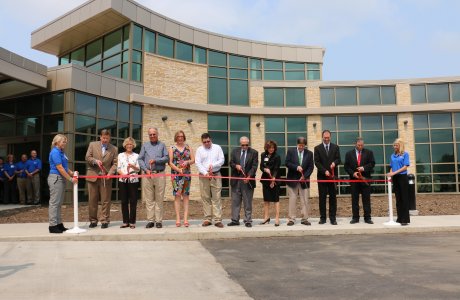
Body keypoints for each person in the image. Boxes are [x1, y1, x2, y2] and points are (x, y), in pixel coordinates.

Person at [85, 129, 118, 229]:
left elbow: (115, 164)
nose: (105, 140)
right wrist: (95, 161)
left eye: (107, 138)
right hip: (93, 176)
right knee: (92, 200)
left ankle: (104, 220)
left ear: (109, 138)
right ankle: (93, 220)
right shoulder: (92, 145)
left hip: (106, 178)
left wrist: (110, 173)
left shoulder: (114, 149)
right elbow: (87, 157)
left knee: (106, 201)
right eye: (103, 138)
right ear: (100, 137)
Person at [138, 127, 168, 229]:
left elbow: (166, 158)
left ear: (157, 134)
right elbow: (140, 159)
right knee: (149, 198)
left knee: (159, 198)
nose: (152, 136)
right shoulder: (145, 145)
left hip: (160, 174)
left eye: (154, 134)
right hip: (148, 174)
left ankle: (159, 221)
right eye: (150, 134)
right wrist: (146, 170)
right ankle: (150, 220)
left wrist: (155, 160)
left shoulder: (162, 145)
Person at [48, 134, 78, 233]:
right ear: (57, 142)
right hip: (56, 178)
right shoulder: (55, 152)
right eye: (63, 141)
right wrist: (70, 179)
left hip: (60, 178)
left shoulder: (61, 152)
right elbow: (59, 168)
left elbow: (64, 167)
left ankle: (59, 224)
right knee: (54, 203)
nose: (65, 143)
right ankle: (52, 226)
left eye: (65, 141)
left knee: (59, 203)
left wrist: (71, 173)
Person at [195, 133, 225, 228]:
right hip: (204, 176)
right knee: (205, 198)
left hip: (216, 174)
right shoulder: (199, 150)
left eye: (208, 141)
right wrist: (205, 173)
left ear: (211, 140)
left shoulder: (217, 148)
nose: (207, 143)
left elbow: (222, 160)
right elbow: (198, 163)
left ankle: (217, 220)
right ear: (202, 142)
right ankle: (207, 219)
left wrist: (214, 165)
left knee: (216, 198)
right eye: (205, 142)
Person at [228, 136, 258, 228]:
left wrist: (249, 176)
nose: (245, 146)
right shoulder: (234, 151)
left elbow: (254, 166)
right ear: (240, 144)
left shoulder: (254, 153)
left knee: (247, 201)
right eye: (243, 145)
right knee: (235, 201)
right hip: (236, 180)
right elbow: (231, 163)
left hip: (247, 181)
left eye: (246, 145)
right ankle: (235, 220)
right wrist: (236, 165)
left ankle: (248, 220)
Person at [344, 137, 376, 224]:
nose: (360, 147)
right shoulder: (349, 154)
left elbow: (372, 163)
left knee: (366, 199)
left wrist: (363, 168)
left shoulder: (369, 153)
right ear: (355, 144)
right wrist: (353, 173)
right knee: (355, 200)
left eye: (362, 145)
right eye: (359, 145)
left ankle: (367, 218)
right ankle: (355, 218)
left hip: (365, 180)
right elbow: (346, 166)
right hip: (354, 180)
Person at [285, 137, 314, 226]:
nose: (301, 147)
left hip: (304, 180)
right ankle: (291, 219)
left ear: (305, 145)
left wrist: (305, 176)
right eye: (300, 145)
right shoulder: (290, 151)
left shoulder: (309, 153)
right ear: (297, 144)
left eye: (303, 146)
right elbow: (287, 163)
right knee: (292, 200)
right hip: (292, 179)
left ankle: (304, 218)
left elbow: (311, 167)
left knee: (304, 200)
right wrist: (296, 167)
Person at [168, 130, 195, 227]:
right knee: (177, 196)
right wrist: (178, 170)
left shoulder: (188, 147)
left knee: (186, 196)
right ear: (176, 137)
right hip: (176, 175)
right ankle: (178, 219)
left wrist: (187, 162)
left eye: (182, 136)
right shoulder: (171, 148)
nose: (180, 138)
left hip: (187, 175)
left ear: (184, 137)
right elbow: (170, 162)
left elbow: (193, 160)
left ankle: (186, 219)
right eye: (178, 136)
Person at [314, 130, 341, 225]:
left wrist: (334, 163)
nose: (326, 139)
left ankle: (333, 218)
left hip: (332, 177)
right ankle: (323, 218)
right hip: (322, 177)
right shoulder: (317, 148)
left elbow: (339, 159)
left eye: (328, 137)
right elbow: (316, 162)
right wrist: (324, 170)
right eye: (325, 137)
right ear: (322, 137)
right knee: (322, 198)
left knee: (333, 198)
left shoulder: (336, 147)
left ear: (330, 137)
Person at [117, 137, 140, 229]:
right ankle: (125, 222)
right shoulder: (120, 155)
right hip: (123, 180)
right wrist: (123, 175)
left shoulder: (137, 155)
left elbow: (138, 169)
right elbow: (118, 168)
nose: (129, 145)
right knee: (124, 201)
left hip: (133, 180)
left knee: (133, 201)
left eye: (131, 144)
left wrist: (133, 166)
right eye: (128, 144)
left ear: (133, 145)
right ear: (125, 145)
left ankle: (132, 222)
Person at [387, 138, 411, 226]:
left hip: (403, 177)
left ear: (400, 145)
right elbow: (391, 166)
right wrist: (390, 173)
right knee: (398, 198)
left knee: (404, 198)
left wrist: (394, 172)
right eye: (394, 145)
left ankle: (405, 219)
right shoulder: (392, 155)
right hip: (395, 178)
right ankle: (399, 218)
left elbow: (405, 167)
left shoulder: (405, 154)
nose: (394, 147)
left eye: (396, 145)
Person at [259, 140, 281, 226]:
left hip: (274, 179)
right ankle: (266, 217)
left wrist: (273, 179)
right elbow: (261, 166)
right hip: (265, 180)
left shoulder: (277, 156)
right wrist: (265, 169)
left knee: (276, 200)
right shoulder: (263, 155)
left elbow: (276, 168)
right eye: (269, 148)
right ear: (266, 148)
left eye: (273, 148)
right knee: (266, 200)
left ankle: (277, 218)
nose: (271, 149)